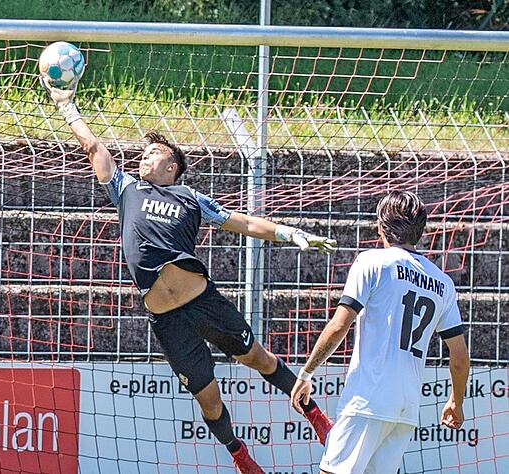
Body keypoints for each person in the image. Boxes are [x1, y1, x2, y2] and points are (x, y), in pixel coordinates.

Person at [42, 75, 336, 473]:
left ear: (173, 165)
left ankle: (316, 417)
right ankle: (239, 455)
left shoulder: (190, 198)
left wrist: (288, 232)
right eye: (142, 153)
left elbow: (243, 223)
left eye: (153, 153)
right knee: (209, 401)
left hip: (203, 302)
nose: (144, 157)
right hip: (166, 319)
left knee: (260, 360)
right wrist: (66, 105)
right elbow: (93, 147)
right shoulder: (126, 189)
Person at [291, 191, 470, 474]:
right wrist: (455, 402)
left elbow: (339, 325)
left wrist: (306, 373)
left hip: (367, 399)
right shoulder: (442, 282)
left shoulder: (373, 262)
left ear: (380, 227)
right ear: (421, 231)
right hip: (405, 408)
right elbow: (459, 354)